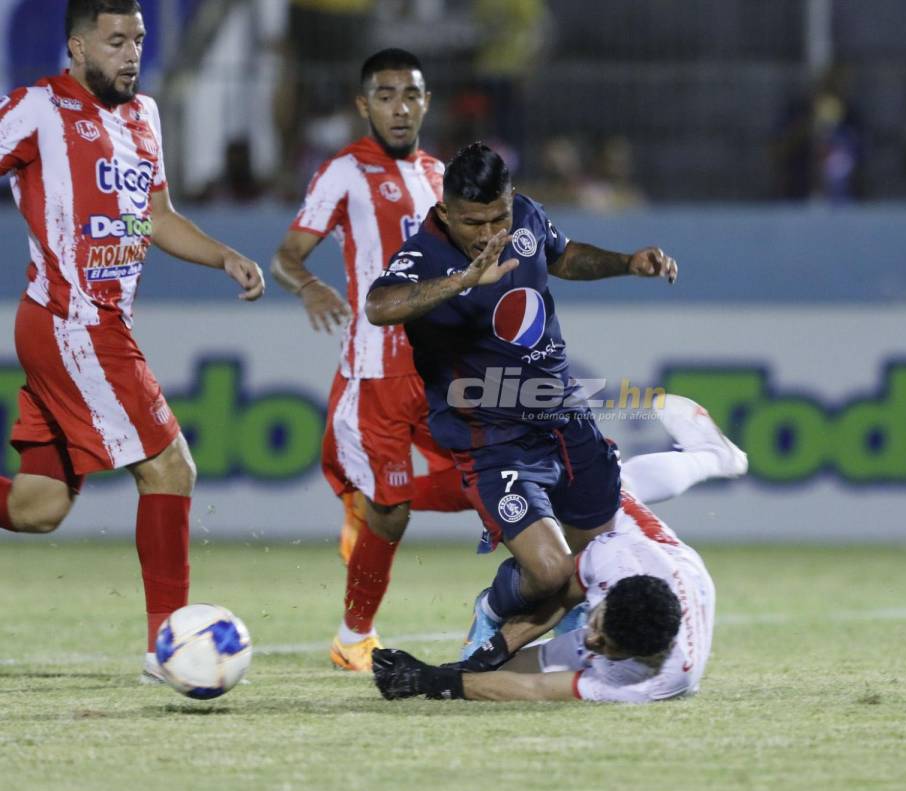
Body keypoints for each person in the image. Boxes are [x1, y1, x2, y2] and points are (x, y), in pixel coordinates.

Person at [0, 0, 264, 680]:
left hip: (93, 326)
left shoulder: (144, 117)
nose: (130, 53)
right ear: (77, 49)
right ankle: (166, 648)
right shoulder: (36, 109)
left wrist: (223, 256)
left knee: (38, 509)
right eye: (115, 40)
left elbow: (156, 216)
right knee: (171, 467)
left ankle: (165, 642)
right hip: (71, 322)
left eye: (139, 40)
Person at [365, 142, 679, 658]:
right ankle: (493, 608)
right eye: (473, 222)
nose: (489, 234)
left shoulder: (527, 216)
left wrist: (628, 263)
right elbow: (380, 306)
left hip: (562, 417)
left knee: (592, 555)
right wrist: (463, 281)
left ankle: (559, 614)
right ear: (445, 211)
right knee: (551, 570)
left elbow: (565, 255)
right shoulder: (425, 253)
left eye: (498, 217)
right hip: (492, 438)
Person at [271, 48, 474, 672]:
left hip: (438, 371)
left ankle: (364, 506)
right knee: (394, 510)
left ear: (426, 102)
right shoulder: (344, 172)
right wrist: (310, 285)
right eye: (384, 96)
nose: (399, 107)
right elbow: (287, 256)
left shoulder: (441, 175)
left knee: (493, 481)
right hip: (377, 371)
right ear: (364, 105)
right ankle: (354, 636)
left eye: (410, 95)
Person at [372, 489, 715, 703]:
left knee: (510, 671)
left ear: (643, 655)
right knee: (550, 571)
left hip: (669, 579)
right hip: (639, 535)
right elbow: (563, 596)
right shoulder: (615, 556)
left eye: (607, 645)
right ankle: (709, 457)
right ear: (605, 598)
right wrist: (492, 651)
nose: (592, 640)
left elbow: (536, 688)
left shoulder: (652, 679)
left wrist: (433, 680)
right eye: (597, 625)